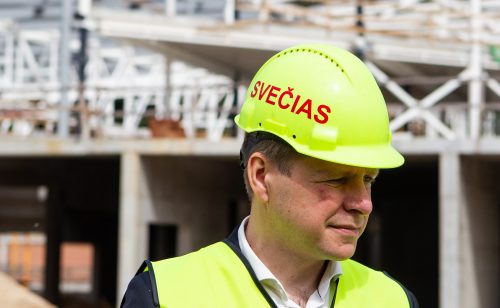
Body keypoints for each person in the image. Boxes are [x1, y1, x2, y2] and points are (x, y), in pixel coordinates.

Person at [121, 43, 419, 307]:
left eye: (368, 179)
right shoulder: (165, 296)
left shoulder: (394, 300)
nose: (363, 204)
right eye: (337, 179)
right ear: (261, 176)